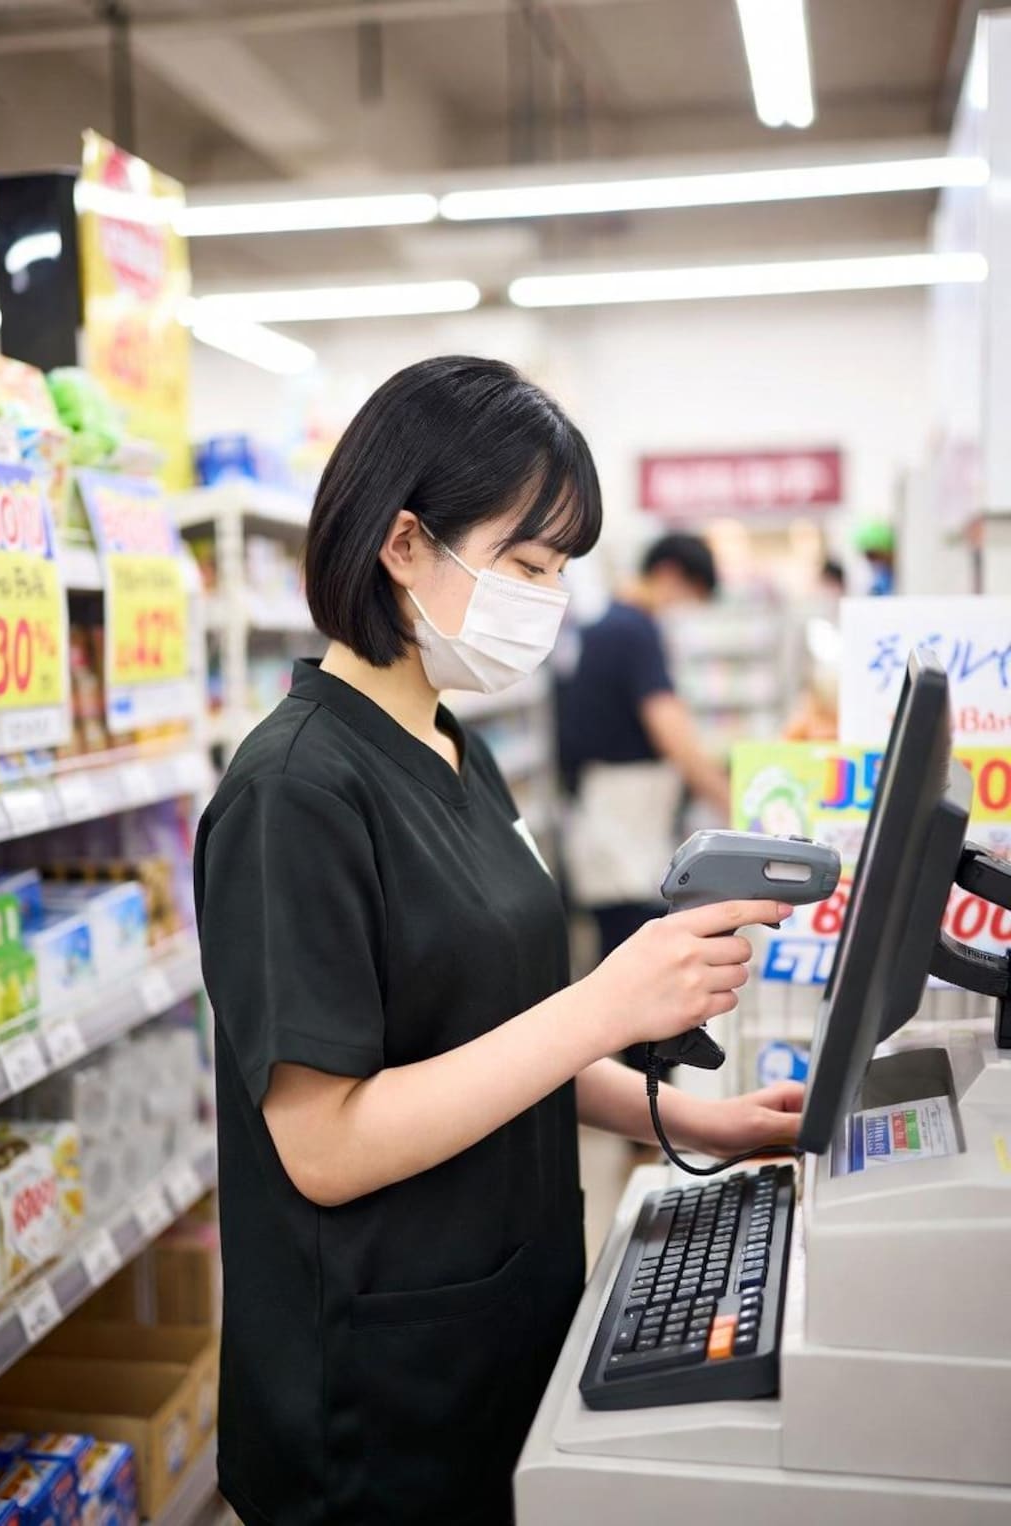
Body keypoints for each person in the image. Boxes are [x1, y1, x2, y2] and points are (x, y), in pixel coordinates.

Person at [194, 357, 802, 1526]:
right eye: (525, 563)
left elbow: (489, 1037)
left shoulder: (453, 751)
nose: (549, 596)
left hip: (496, 1333)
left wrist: (688, 1116)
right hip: (377, 1400)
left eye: (562, 569)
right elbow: (321, 1145)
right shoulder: (295, 790)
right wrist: (609, 999)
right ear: (404, 541)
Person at [557, 533, 731, 974]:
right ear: (670, 574)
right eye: (689, 597)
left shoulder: (608, 626)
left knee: (619, 950)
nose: (682, 611)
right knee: (634, 961)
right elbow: (671, 731)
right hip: (623, 820)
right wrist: (731, 800)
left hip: (612, 815)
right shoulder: (634, 630)